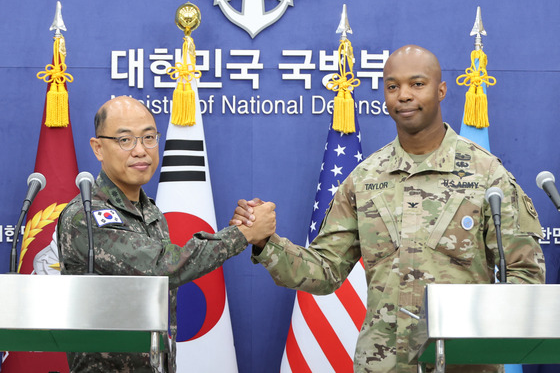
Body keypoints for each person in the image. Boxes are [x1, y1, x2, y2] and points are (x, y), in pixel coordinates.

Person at [232, 45, 546, 373]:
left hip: (462, 365)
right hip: (382, 365)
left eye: (417, 84)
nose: (403, 95)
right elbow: (325, 270)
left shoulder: (486, 174)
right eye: (392, 86)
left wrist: (473, 327)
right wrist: (267, 243)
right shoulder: (364, 179)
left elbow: (525, 273)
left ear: (441, 91)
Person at [56, 96, 276, 373]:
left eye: (149, 137)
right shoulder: (87, 215)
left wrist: (242, 230)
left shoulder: (150, 211)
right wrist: (241, 234)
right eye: (125, 140)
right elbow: (161, 267)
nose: (140, 150)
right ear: (98, 148)